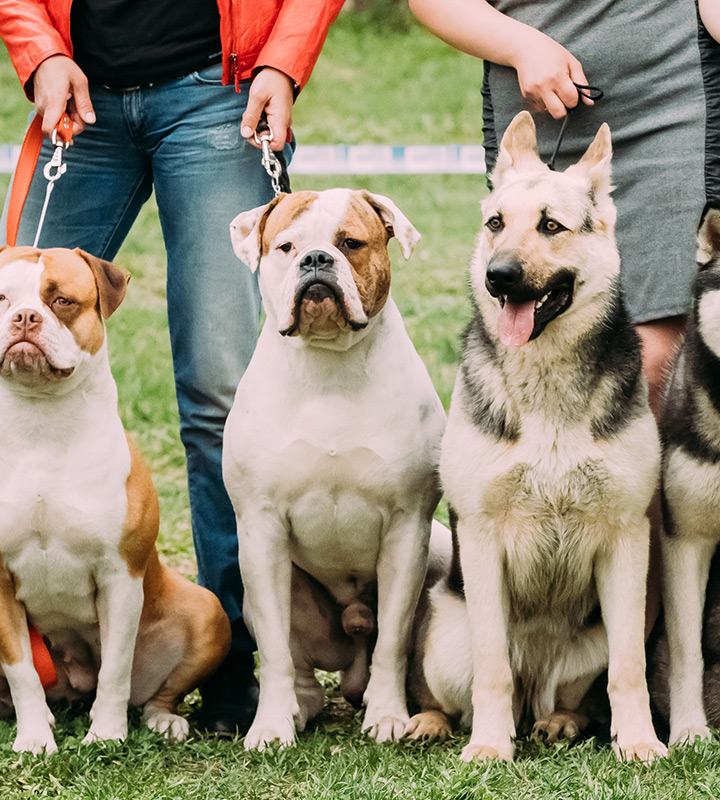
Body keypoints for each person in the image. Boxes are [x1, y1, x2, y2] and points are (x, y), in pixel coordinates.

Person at [0, 0, 345, 736]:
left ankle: (233, 662)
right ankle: (24, 665)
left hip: (219, 93)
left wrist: (285, 58)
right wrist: (39, 54)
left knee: (218, 394)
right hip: (80, 92)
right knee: (12, 329)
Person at [408, 0, 720, 414]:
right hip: (536, 112)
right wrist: (520, 46)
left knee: (660, 359)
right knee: (544, 350)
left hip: (676, 104)